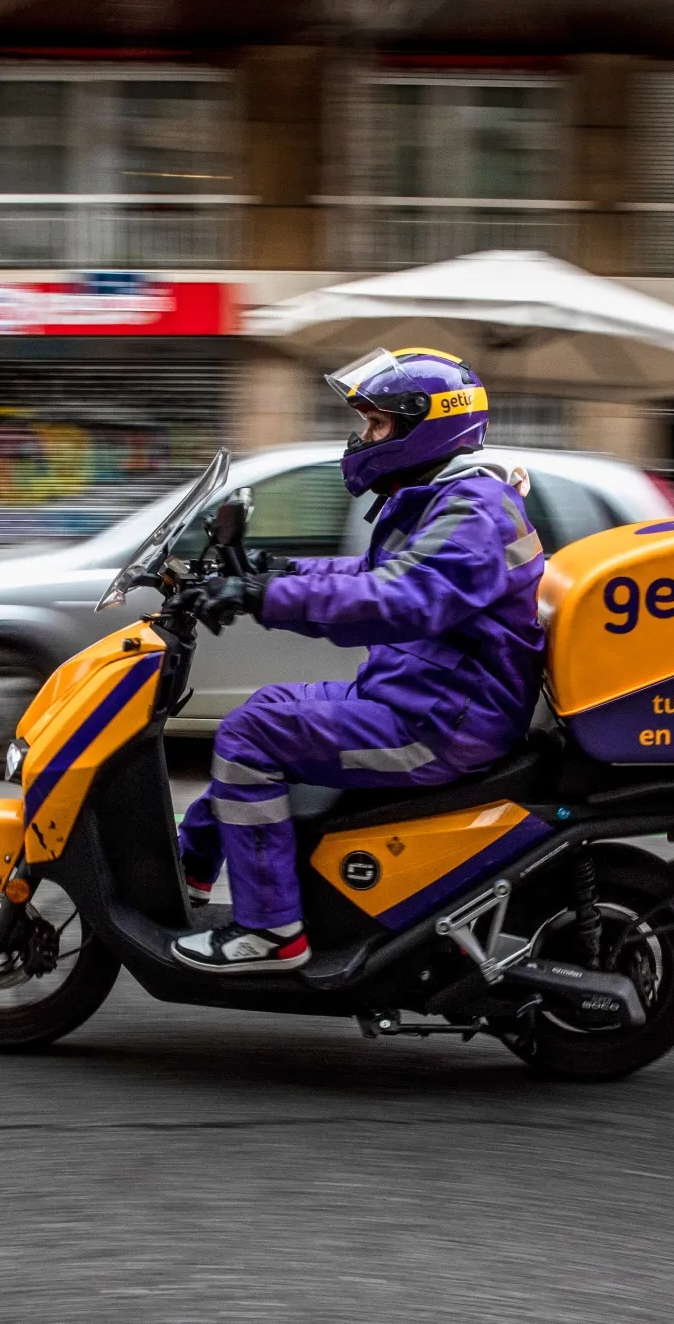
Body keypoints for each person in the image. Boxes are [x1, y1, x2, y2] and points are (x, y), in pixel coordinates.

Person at [169, 348, 547, 973]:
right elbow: (373, 573)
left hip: (443, 724)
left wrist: (264, 596)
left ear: (427, 425)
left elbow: (399, 598)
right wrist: (269, 571)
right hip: (420, 695)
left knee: (249, 736)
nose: (364, 438)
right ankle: (190, 873)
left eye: (378, 425)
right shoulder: (445, 499)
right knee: (265, 709)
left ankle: (271, 934)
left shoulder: (473, 513)